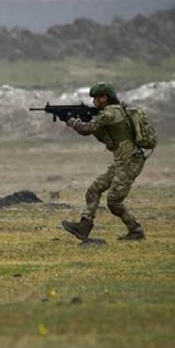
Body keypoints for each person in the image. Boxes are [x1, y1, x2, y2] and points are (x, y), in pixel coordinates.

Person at [61, 82, 147, 241]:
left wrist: (70, 120)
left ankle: (136, 230)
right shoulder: (114, 111)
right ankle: (84, 227)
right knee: (94, 189)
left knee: (114, 201)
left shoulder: (110, 113)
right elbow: (103, 135)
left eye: (96, 98)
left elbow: (86, 130)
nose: (94, 102)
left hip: (130, 162)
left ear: (105, 97)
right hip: (122, 161)